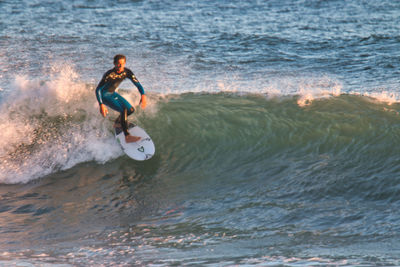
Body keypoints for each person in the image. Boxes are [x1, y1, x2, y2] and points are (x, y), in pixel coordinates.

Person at [95, 54, 147, 143]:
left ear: (125, 63)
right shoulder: (109, 74)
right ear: (114, 63)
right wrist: (101, 104)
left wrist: (143, 95)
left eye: (122, 64)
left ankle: (118, 123)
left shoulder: (127, 72)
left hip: (112, 93)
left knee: (130, 110)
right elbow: (98, 89)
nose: (120, 66)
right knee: (123, 111)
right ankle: (127, 137)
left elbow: (138, 84)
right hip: (104, 95)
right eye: (118, 64)